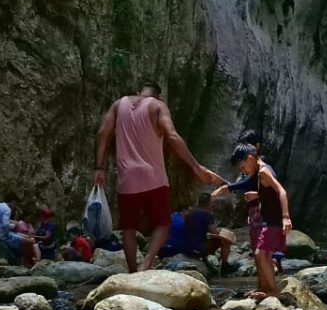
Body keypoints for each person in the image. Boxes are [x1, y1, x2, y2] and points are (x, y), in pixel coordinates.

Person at [93, 81, 223, 272]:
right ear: (158, 96)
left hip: (127, 178)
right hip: (154, 178)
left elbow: (102, 133)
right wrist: (196, 167)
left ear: (139, 92)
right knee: (163, 223)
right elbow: (172, 136)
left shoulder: (118, 104)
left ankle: (132, 270)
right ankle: (145, 265)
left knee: (128, 228)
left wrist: (99, 167)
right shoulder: (158, 106)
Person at [230, 144, 291, 298]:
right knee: (262, 254)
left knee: (261, 254)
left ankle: (272, 291)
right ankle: (265, 288)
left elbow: (281, 191)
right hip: (270, 220)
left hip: (274, 220)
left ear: (250, 158)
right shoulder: (262, 171)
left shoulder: (263, 171)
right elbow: (269, 193)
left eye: (243, 167)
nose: (243, 172)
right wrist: (257, 195)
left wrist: (285, 217)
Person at [0, 192, 41, 266]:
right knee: (30, 241)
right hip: (3, 236)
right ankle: (31, 263)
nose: (15, 206)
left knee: (22, 239)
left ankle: (24, 261)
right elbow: (5, 225)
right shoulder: (7, 209)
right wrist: (13, 226)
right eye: (16, 204)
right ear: (13, 201)